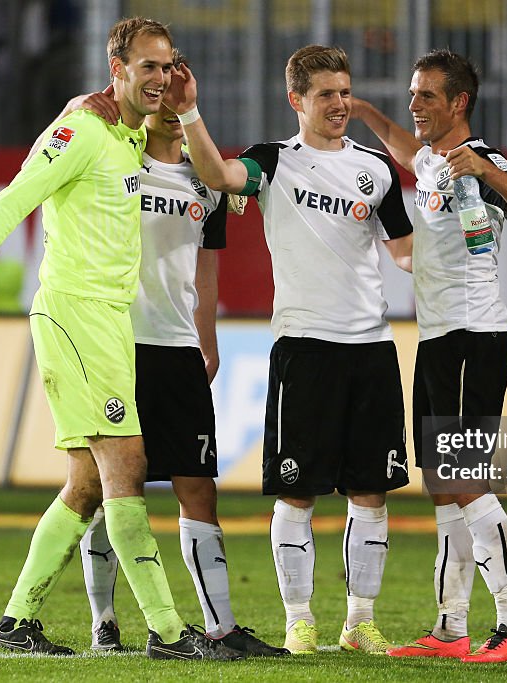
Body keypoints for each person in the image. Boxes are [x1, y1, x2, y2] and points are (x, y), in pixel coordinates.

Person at [0, 18, 240, 662]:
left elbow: (202, 166)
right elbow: (15, 197)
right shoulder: (84, 130)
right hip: (76, 315)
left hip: (108, 320)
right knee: (128, 466)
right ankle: (170, 633)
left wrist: (181, 106)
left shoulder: (124, 134)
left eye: (166, 65)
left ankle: (17, 622)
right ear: (115, 69)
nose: (160, 77)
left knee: (87, 483)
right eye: (146, 66)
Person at [162, 45, 415, 655]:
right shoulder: (273, 162)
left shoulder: (376, 169)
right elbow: (221, 179)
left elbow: (406, 253)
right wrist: (191, 112)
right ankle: (299, 618)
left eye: (344, 92)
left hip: (372, 348)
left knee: (371, 492)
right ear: (295, 100)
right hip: (305, 349)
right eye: (325, 94)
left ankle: (360, 620)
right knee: (296, 493)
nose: (339, 104)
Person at [39, 50, 287, 658]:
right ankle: (105, 622)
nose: (171, 106)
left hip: (178, 348)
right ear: (141, 97)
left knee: (199, 487)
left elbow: (206, 267)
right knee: (105, 485)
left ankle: (221, 627)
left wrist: (208, 337)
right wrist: (82, 101)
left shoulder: (206, 182)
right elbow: (71, 124)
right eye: (161, 92)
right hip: (114, 340)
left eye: (181, 97)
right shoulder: (114, 156)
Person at [350, 49, 507, 663]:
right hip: (438, 339)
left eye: (426, 96)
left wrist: (486, 173)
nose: (416, 105)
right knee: (442, 485)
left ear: (458, 102)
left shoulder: (479, 158)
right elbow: (409, 151)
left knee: (465, 479)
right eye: (413, 95)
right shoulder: (434, 161)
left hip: (474, 337)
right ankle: (449, 626)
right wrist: (366, 114)